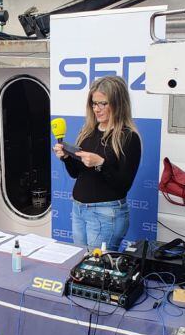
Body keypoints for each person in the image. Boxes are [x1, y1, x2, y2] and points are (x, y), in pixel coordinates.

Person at [54, 75, 142, 251]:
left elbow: (123, 185)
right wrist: (66, 158)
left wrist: (101, 163)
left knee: (98, 269)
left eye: (103, 103)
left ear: (118, 104)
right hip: (79, 210)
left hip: (106, 214)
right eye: (94, 103)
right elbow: (77, 173)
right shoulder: (87, 132)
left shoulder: (128, 137)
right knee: (83, 264)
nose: (97, 109)